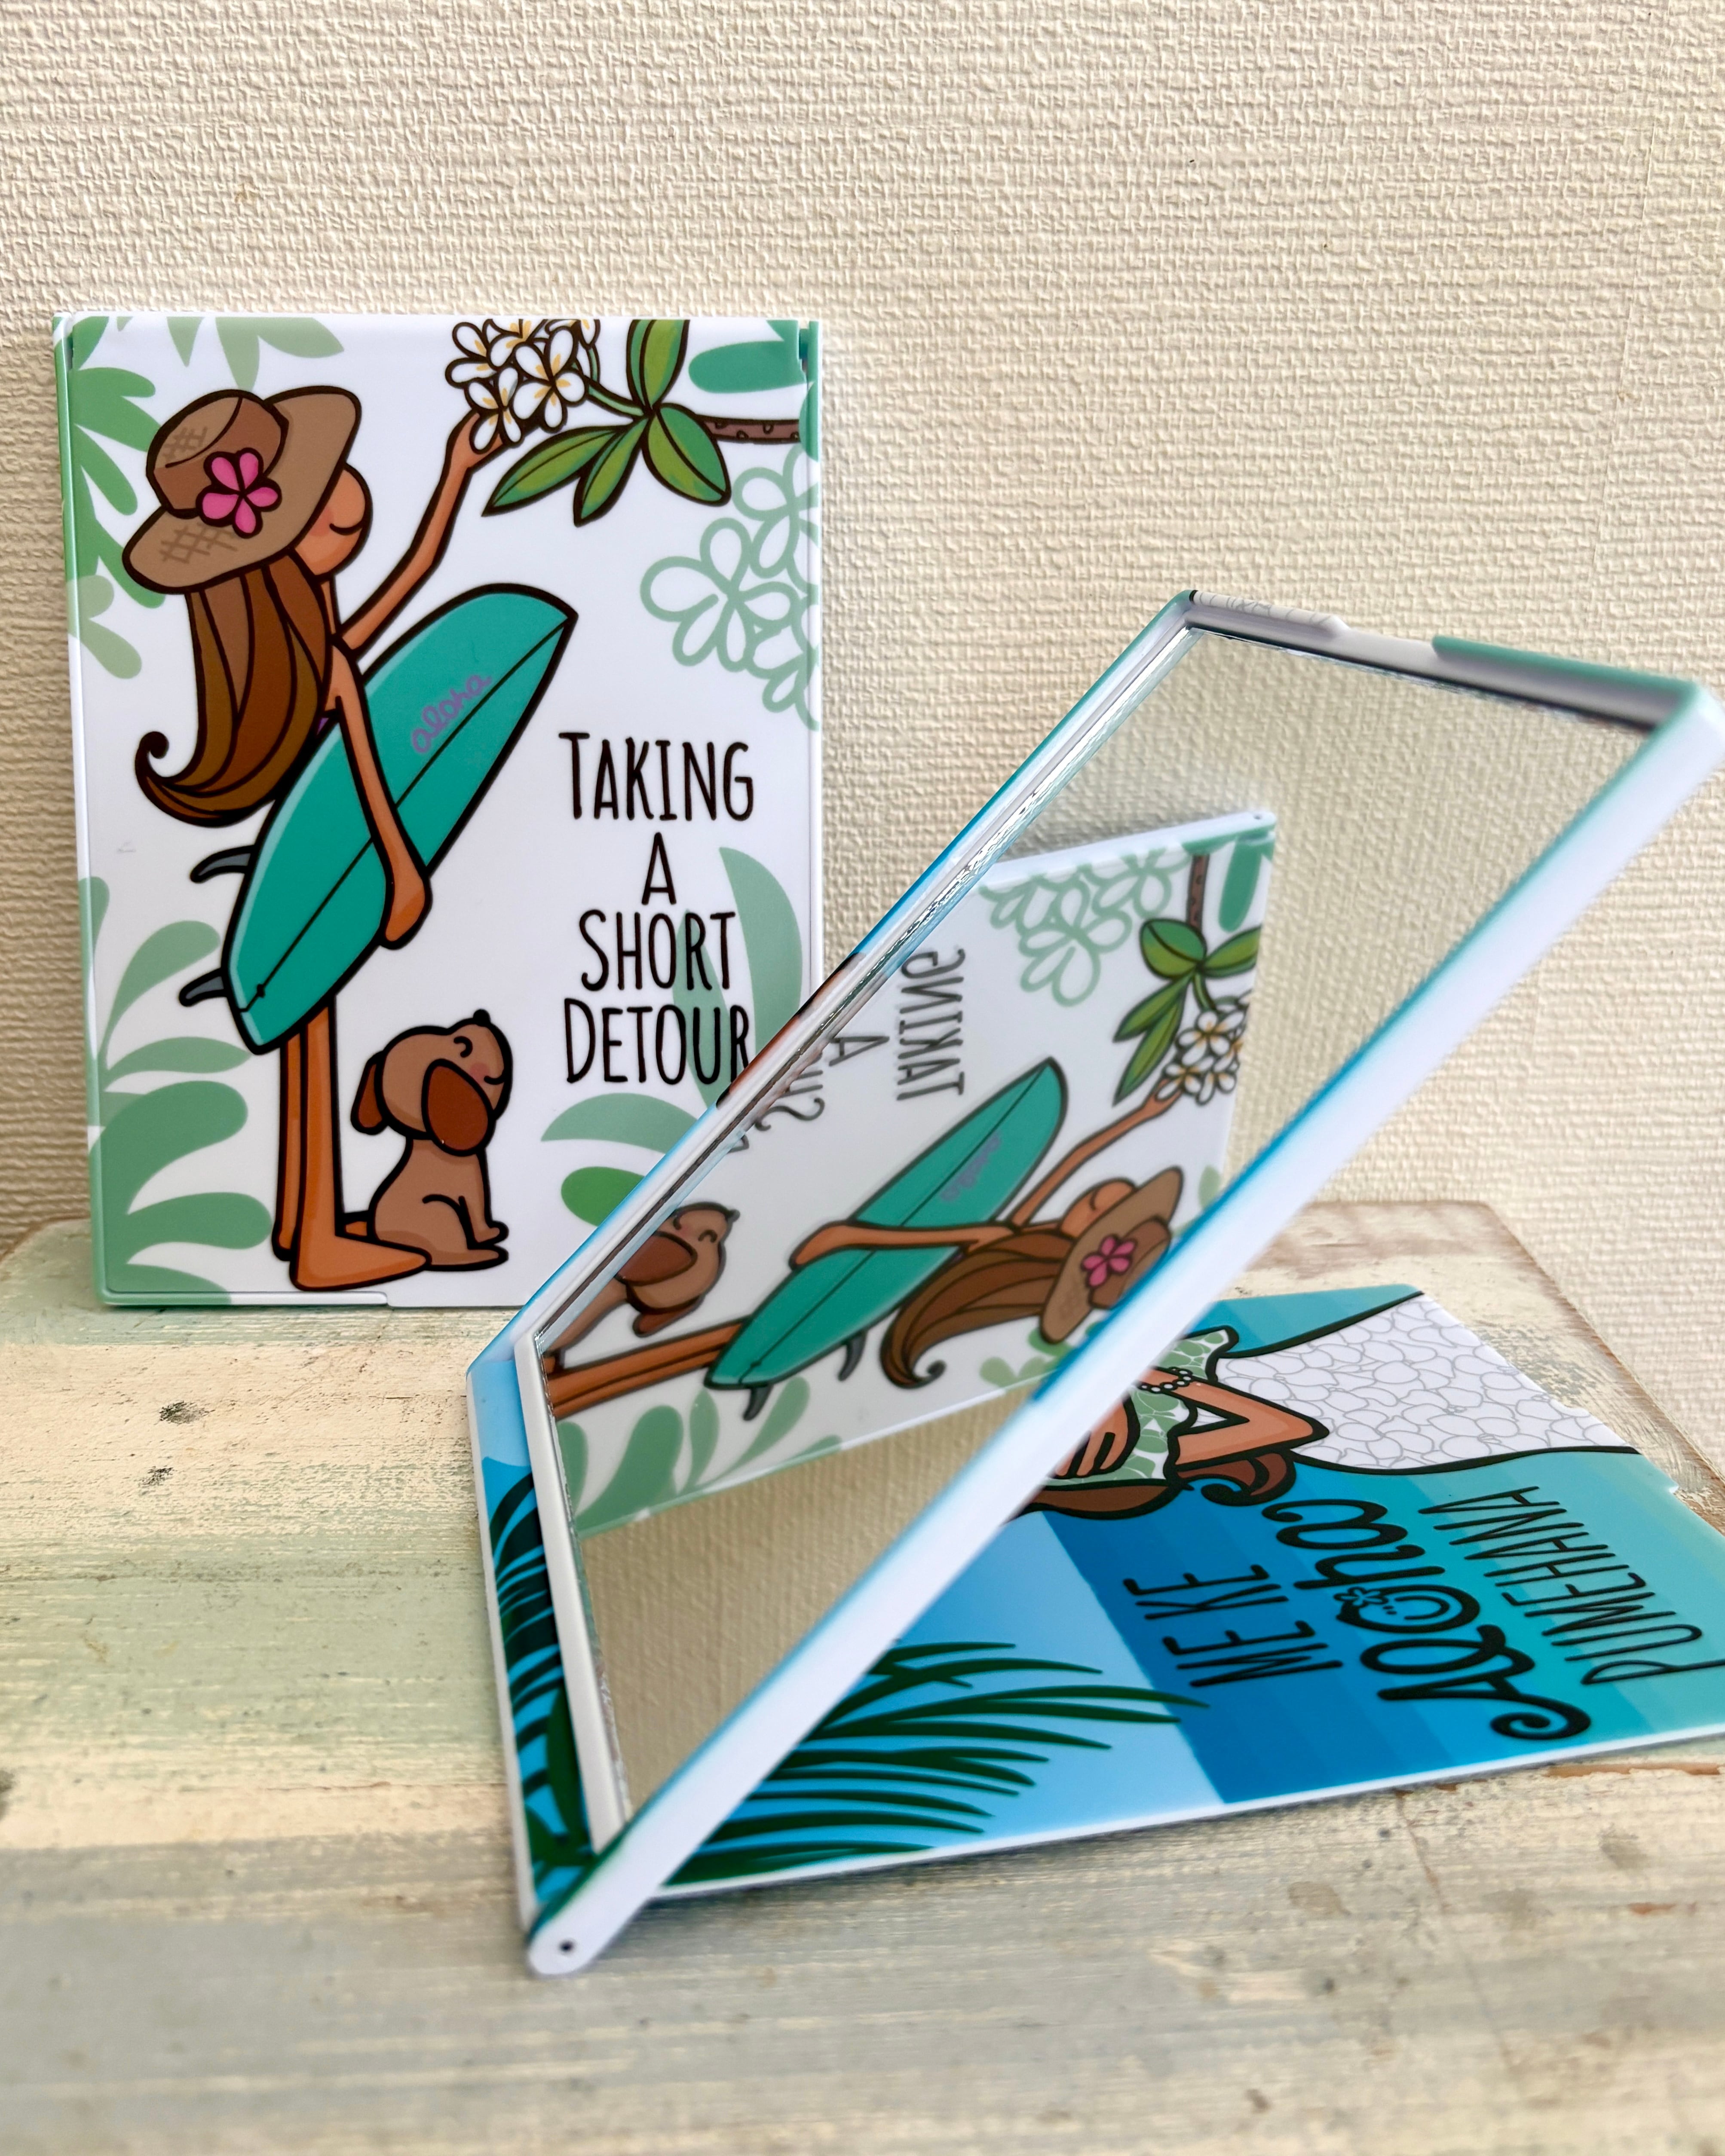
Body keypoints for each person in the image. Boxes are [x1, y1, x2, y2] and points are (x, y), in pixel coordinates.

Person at [125, 386, 501, 1289]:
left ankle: (302, 1222)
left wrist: (454, 472)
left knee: (308, 1038)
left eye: (324, 476)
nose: (345, 496)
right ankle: (322, 1243)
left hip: (307, 864)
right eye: (308, 495)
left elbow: (412, 577)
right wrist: (401, 875)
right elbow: (368, 772)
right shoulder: (318, 664)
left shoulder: (314, 645)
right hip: (319, 868)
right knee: (309, 1038)